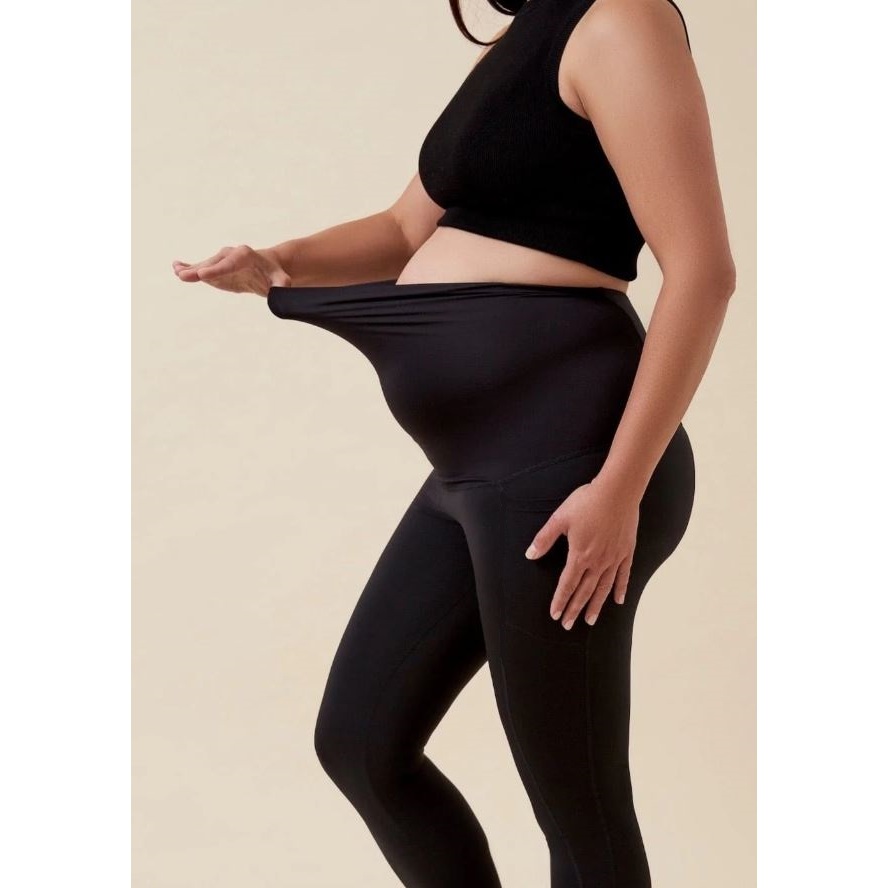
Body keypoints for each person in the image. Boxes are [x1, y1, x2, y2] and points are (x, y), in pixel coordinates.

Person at [172, 0, 736, 884]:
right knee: (361, 742)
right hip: (475, 469)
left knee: (579, 813)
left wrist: (620, 488)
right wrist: (276, 262)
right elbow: (406, 230)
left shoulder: (622, 18)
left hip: (573, 466)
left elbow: (703, 270)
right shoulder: (524, 38)